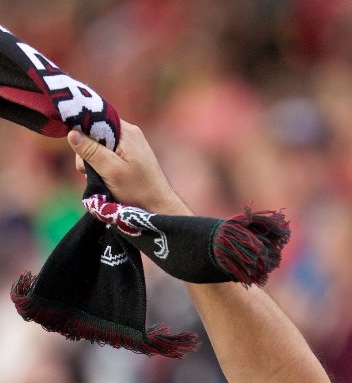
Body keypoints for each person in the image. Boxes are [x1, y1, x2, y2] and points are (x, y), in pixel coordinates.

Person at [67, 121, 331, 383]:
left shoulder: (318, 235)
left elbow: (281, 372)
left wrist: (159, 206)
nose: (294, 174)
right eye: (281, 161)